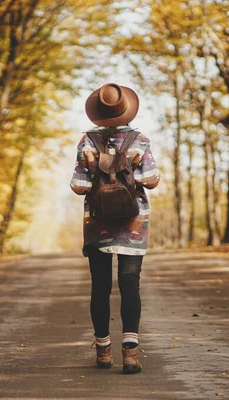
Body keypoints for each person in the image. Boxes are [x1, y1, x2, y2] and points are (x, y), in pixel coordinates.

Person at [70, 83, 160, 374]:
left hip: (97, 224)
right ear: (125, 108)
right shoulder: (139, 140)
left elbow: (79, 186)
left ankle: (103, 352)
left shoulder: (86, 141)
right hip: (133, 222)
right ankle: (131, 355)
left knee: (100, 286)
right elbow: (151, 179)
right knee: (130, 283)